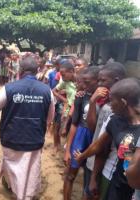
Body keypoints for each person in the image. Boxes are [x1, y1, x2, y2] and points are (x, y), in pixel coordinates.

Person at [0, 56, 55, 200]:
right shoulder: (47, 91)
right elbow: (50, 117)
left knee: (13, 165)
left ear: (20, 70)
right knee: (32, 168)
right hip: (34, 138)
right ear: (38, 71)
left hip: (11, 137)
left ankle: (17, 191)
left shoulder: (9, 88)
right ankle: (27, 194)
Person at [74, 78, 140, 200]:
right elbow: (98, 145)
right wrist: (82, 156)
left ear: (123, 103)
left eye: (112, 101)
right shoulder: (115, 121)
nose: (109, 105)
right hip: (118, 185)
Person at [84, 62, 126, 200]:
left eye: (103, 80)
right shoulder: (102, 100)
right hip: (95, 161)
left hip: (105, 166)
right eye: (99, 80)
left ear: (116, 81)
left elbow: (103, 147)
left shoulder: (115, 108)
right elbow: (93, 127)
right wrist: (92, 102)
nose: (99, 84)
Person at [63, 67, 100, 200]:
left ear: (98, 81)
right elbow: (74, 124)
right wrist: (68, 149)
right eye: (82, 82)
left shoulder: (106, 99)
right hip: (80, 137)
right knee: (71, 175)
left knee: (89, 180)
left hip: (96, 140)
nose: (83, 86)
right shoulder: (81, 97)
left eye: (87, 82)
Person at [52, 60, 76, 152]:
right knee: (61, 127)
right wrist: (64, 99)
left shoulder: (80, 82)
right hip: (67, 108)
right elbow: (54, 91)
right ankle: (58, 145)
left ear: (71, 71)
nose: (62, 77)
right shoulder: (65, 83)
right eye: (61, 75)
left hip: (77, 109)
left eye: (63, 74)